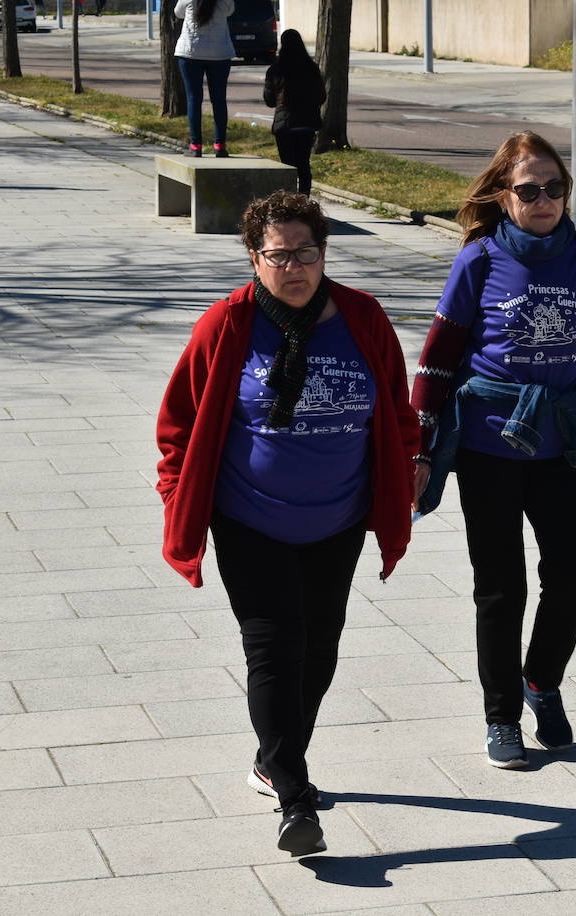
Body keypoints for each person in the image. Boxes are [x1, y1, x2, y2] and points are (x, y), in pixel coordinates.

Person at [156, 191, 419, 855]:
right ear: (254, 258)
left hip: (338, 516)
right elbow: (178, 424)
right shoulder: (226, 325)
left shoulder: (362, 316)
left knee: (320, 648)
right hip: (249, 517)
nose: (294, 268)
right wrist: (176, 495)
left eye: (306, 253)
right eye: (279, 256)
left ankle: (272, 759)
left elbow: (395, 404)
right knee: (273, 646)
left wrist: (408, 464)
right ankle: (296, 799)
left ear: (323, 252)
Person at [411, 131, 576, 770]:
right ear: (503, 195)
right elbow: (437, 361)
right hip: (489, 446)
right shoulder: (479, 260)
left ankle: (541, 681)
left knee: (571, 573)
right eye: (529, 189)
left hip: (564, 444)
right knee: (501, 587)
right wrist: (418, 448)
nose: (543, 198)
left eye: (555, 187)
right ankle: (501, 718)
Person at [262, 29, 326, 195]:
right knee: (304, 165)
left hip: (285, 125)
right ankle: (304, 201)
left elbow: (269, 100)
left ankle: (289, 201)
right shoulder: (311, 68)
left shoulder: (275, 70)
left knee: (287, 166)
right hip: (307, 124)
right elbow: (321, 96)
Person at [173, 0, 234, 158]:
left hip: (190, 53)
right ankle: (220, 145)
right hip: (219, 54)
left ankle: (196, 146)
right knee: (219, 100)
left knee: (194, 99)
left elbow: (178, 13)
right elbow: (230, 11)